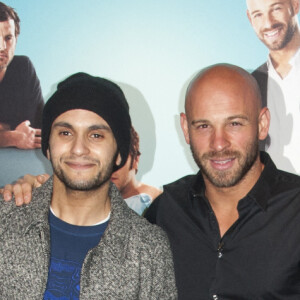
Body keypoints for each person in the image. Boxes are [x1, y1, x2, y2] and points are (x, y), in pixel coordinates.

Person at [0, 72, 177, 299]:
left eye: (96, 135)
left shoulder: (149, 249)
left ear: (119, 153)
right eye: (65, 132)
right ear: (47, 147)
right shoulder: (5, 220)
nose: (78, 148)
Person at [145, 64, 300, 299]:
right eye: (204, 126)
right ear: (186, 129)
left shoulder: (295, 210)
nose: (219, 143)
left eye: (234, 124)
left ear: (262, 124)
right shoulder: (163, 213)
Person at [1, 126, 162, 215]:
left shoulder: (158, 205)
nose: (111, 167)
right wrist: (25, 193)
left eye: (118, 157)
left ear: (135, 160)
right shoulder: (59, 193)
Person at [247, 0, 300, 174]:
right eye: (258, 15)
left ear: (295, 5)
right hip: (278, 199)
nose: (268, 23)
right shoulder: (251, 85)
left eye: (276, 9)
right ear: (250, 19)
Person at [0, 2, 44, 149]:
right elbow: (21, 134)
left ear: (16, 39)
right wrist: (11, 137)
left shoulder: (23, 68)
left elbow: (37, 127)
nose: (2, 47)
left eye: (8, 38)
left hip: (19, 161)